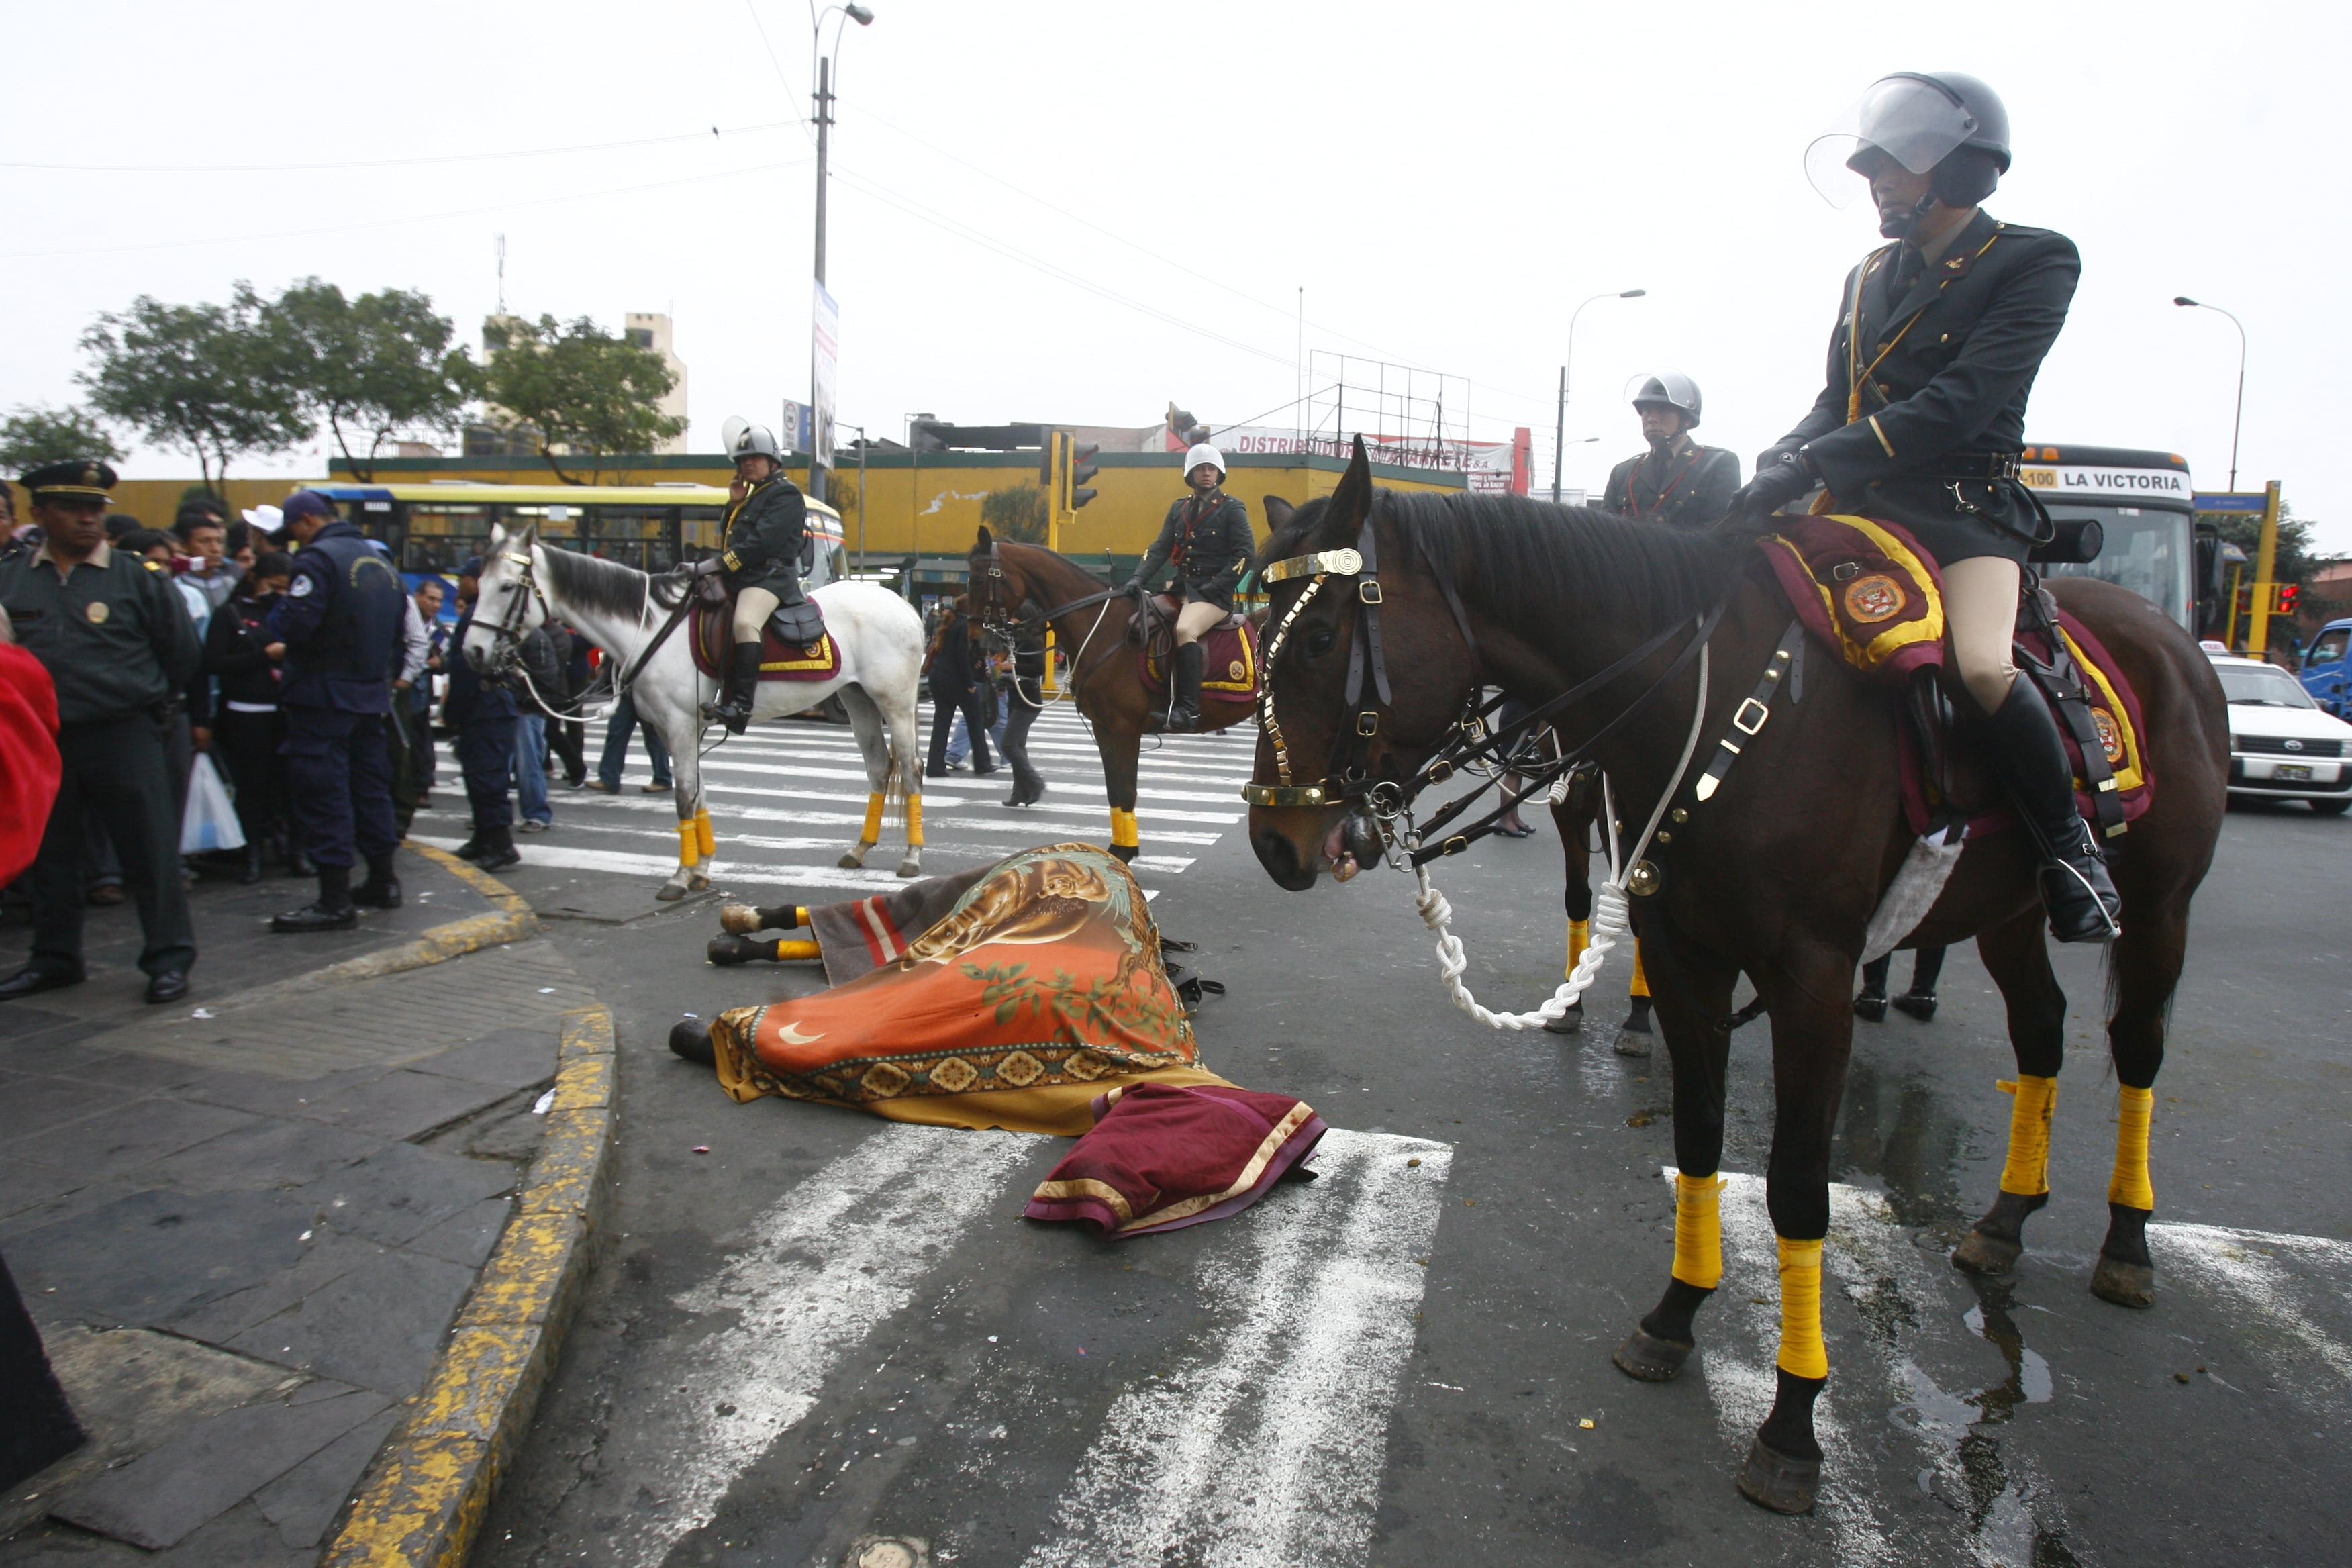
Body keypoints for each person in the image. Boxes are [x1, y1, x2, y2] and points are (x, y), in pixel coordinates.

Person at [1730, 71, 2118, 943]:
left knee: (1983, 666)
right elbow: (1840, 399)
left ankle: (2070, 853)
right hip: (1856, 507)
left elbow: (1965, 402)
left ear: (1959, 170)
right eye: (1873, 167)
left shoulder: (2034, 258)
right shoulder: (1867, 276)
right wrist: (1786, 454)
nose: (1879, 183)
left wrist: (1821, 455)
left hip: (1961, 513)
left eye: (1896, 167)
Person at [0, 461, 201, 1003]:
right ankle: (55, 958)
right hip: (43, 740)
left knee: (149, 851)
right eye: (73, 509)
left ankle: (168, 958)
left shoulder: (137, 576)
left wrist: (148, 705)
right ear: (40, 514)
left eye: (96, 509)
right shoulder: (12, 575)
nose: (89, 519)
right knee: (52, 855)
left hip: (123, 732)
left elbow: (180, 653)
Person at [268, 489, 407, 932]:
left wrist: (278, 617)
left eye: (293, 530)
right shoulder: (380, 563)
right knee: (371, 791)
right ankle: (383, 881)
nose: (293, 540)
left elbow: (297, 625)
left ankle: (334, 898)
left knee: (325, 794)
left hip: (321, 696)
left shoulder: (317, 561)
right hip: (370, 695)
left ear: (306, 520)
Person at [1127, 443, 1254, 731]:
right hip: (1181, 589)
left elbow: (1245, 554)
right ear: (1190, 474)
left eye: (1211, 469)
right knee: (1142, 622)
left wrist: (1215, 587)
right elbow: (1160, 547)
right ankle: (1154, 695)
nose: (1206, 473)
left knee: (1185, 630)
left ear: (1219, 474)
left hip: (1214, 596)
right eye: (1200, 469)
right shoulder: (1180, 508)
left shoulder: (1232, 509)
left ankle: (1189, 710)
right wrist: (1138, 578)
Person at [702, 423, 812, 734]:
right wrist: (734, 504)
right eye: (742, 461)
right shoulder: (752, 496)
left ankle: (740, 706)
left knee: (744, 623)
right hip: (745, 577)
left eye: (755, 458)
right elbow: (730, 538)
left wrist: (717, 565)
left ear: (773, 462)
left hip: (770, 577)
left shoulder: (785, 494)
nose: (747, 464)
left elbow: (762, 543)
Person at [203, 551, 295, 883]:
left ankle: (291, 848)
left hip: (286, 710)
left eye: (287, 589)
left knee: (288, 785)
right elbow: (213, 663)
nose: (279, 595)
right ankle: (251, 850)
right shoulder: (231, 614)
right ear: (256, 579)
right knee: (252, 785)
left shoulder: (290, 614)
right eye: (274, 587)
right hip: (246, 712)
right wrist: (261, 657)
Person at [1601, 373, 1743, 528]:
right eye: (1646, 411)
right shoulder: (1622, 474)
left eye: (1663, 410)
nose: (1651, 419)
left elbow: (1718, 536)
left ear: (1686, 419)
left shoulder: (1717, 464)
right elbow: (1604, 534)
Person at [443, 592, 520, 871]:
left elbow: (465, 667)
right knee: (477, 775)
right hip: (490, 705)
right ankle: (483, 836)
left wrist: (452, 711)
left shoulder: (480, 615)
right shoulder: (500, 613)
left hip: (484, 705)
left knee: (487, 777)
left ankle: (501, 844)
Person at [924, 599, 994, 778]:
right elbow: (961, 657)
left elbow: (951, 652)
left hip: (938, 677)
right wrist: (970, 685)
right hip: (956, 680)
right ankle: (982, 763)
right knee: (975, 721)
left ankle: (934, 766)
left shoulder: (951, 623)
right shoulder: (965, 626)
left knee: (941, 724)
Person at [511, 623, 562, 833]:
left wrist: (527, 703)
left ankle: (537, 814)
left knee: (528, 764)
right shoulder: (513, 636)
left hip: (526, 710)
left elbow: (546, 677)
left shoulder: (534, 637)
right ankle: (490, 814)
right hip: (512, 707)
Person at [996, 614, 1048, 806]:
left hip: (1028, 701)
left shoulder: (1031, 640)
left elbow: (1039, 667)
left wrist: (1013, 666)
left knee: (1008, 745)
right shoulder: (1015, 641)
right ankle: (1020, 794)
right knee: (1018, 748)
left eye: (1014, 618)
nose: (1011, 621)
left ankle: (1035, 783)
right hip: (1016, 698)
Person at [590, 686, 673, 794]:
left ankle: (663, 779)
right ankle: (609, 778)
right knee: (617, 733)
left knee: (653, 736)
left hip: (647, 691)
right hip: (626, 689)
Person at [174, 505, 242, 611]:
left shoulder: (230, 582)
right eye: (205, 541)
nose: (215, 549)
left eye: (219, 542)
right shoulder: (176, 585)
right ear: (183, 546)